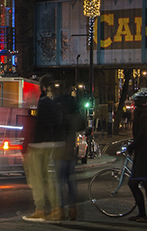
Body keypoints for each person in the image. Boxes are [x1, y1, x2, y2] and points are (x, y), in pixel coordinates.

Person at [22, 75, 64, 222]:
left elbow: (35, 125)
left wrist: (28, 145)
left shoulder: (42, 102)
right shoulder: (55, 103)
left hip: (38, 144)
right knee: (49, 179)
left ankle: (40, 210)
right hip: (51, 144)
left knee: (37, 179)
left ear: (42, 87)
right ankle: (56, 210)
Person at [124, 92, 147, 223]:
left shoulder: (143, 116)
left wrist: (131, 147)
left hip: (146, 156)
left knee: (139, 184)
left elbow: (142, 136)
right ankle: (144, 214)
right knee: (144, 184)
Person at [54, 88, 83, 220]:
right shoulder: (75, 114)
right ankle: (73, 210)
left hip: (59, 153)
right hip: (70, 153)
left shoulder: (58, 111)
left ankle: (60, 210)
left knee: (59, 182)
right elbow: (83, 126)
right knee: (71, 182)